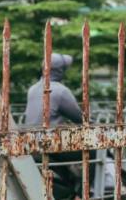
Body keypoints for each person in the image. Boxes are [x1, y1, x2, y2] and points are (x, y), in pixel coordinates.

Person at [25, 53, 91, 199]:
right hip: (52, 144)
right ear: (60, 71)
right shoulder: (60, 91)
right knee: (93, 152)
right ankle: (86, 193)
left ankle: (71, 190)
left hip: (32, 142)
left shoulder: (33, 89)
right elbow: (79, 117)